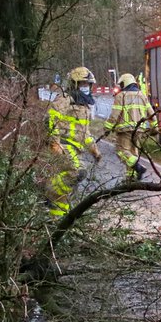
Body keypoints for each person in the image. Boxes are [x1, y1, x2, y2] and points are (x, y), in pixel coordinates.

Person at [45, 66, 102, 217]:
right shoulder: (65, 99)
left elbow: (85, 133)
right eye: (83, 83)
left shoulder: (83, 105)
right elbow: (51, 118)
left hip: (75, 148)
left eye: (88, 84)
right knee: (78, 172)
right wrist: (54, 142)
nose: (86, 87)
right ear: (74, 84)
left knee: (64, 195)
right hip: (64, 145)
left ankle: (57, 221)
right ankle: (48, 190)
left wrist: (94, 150)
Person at [104, 73, 156, 180]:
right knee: (132, 152)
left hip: (125, 130)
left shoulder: (121, 96)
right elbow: (151, 114)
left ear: (124, 83)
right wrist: (155, 127)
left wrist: (107, 128)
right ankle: (131, 177)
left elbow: (114, 115)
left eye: (121, 84)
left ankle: (139, 168)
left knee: (121, 151)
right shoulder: (142, 95)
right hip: (139, 130)